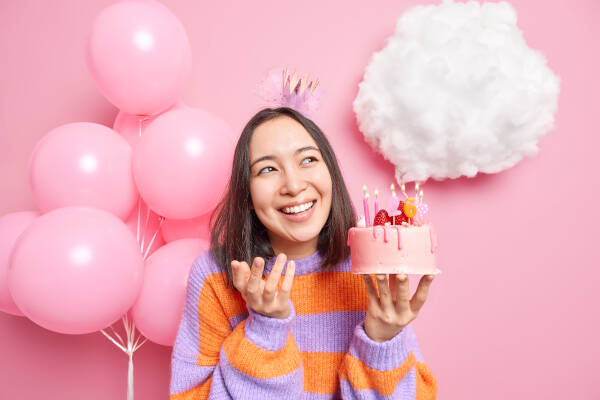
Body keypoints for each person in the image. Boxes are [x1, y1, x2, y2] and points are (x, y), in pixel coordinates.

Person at [169, 106, 437, 399]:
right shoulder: (215, 277)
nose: (294, 186)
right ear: (246, 194)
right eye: (268, 169)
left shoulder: (369, 265)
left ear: (330, 173)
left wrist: (382, 341)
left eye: (308, 160)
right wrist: (265, 330)